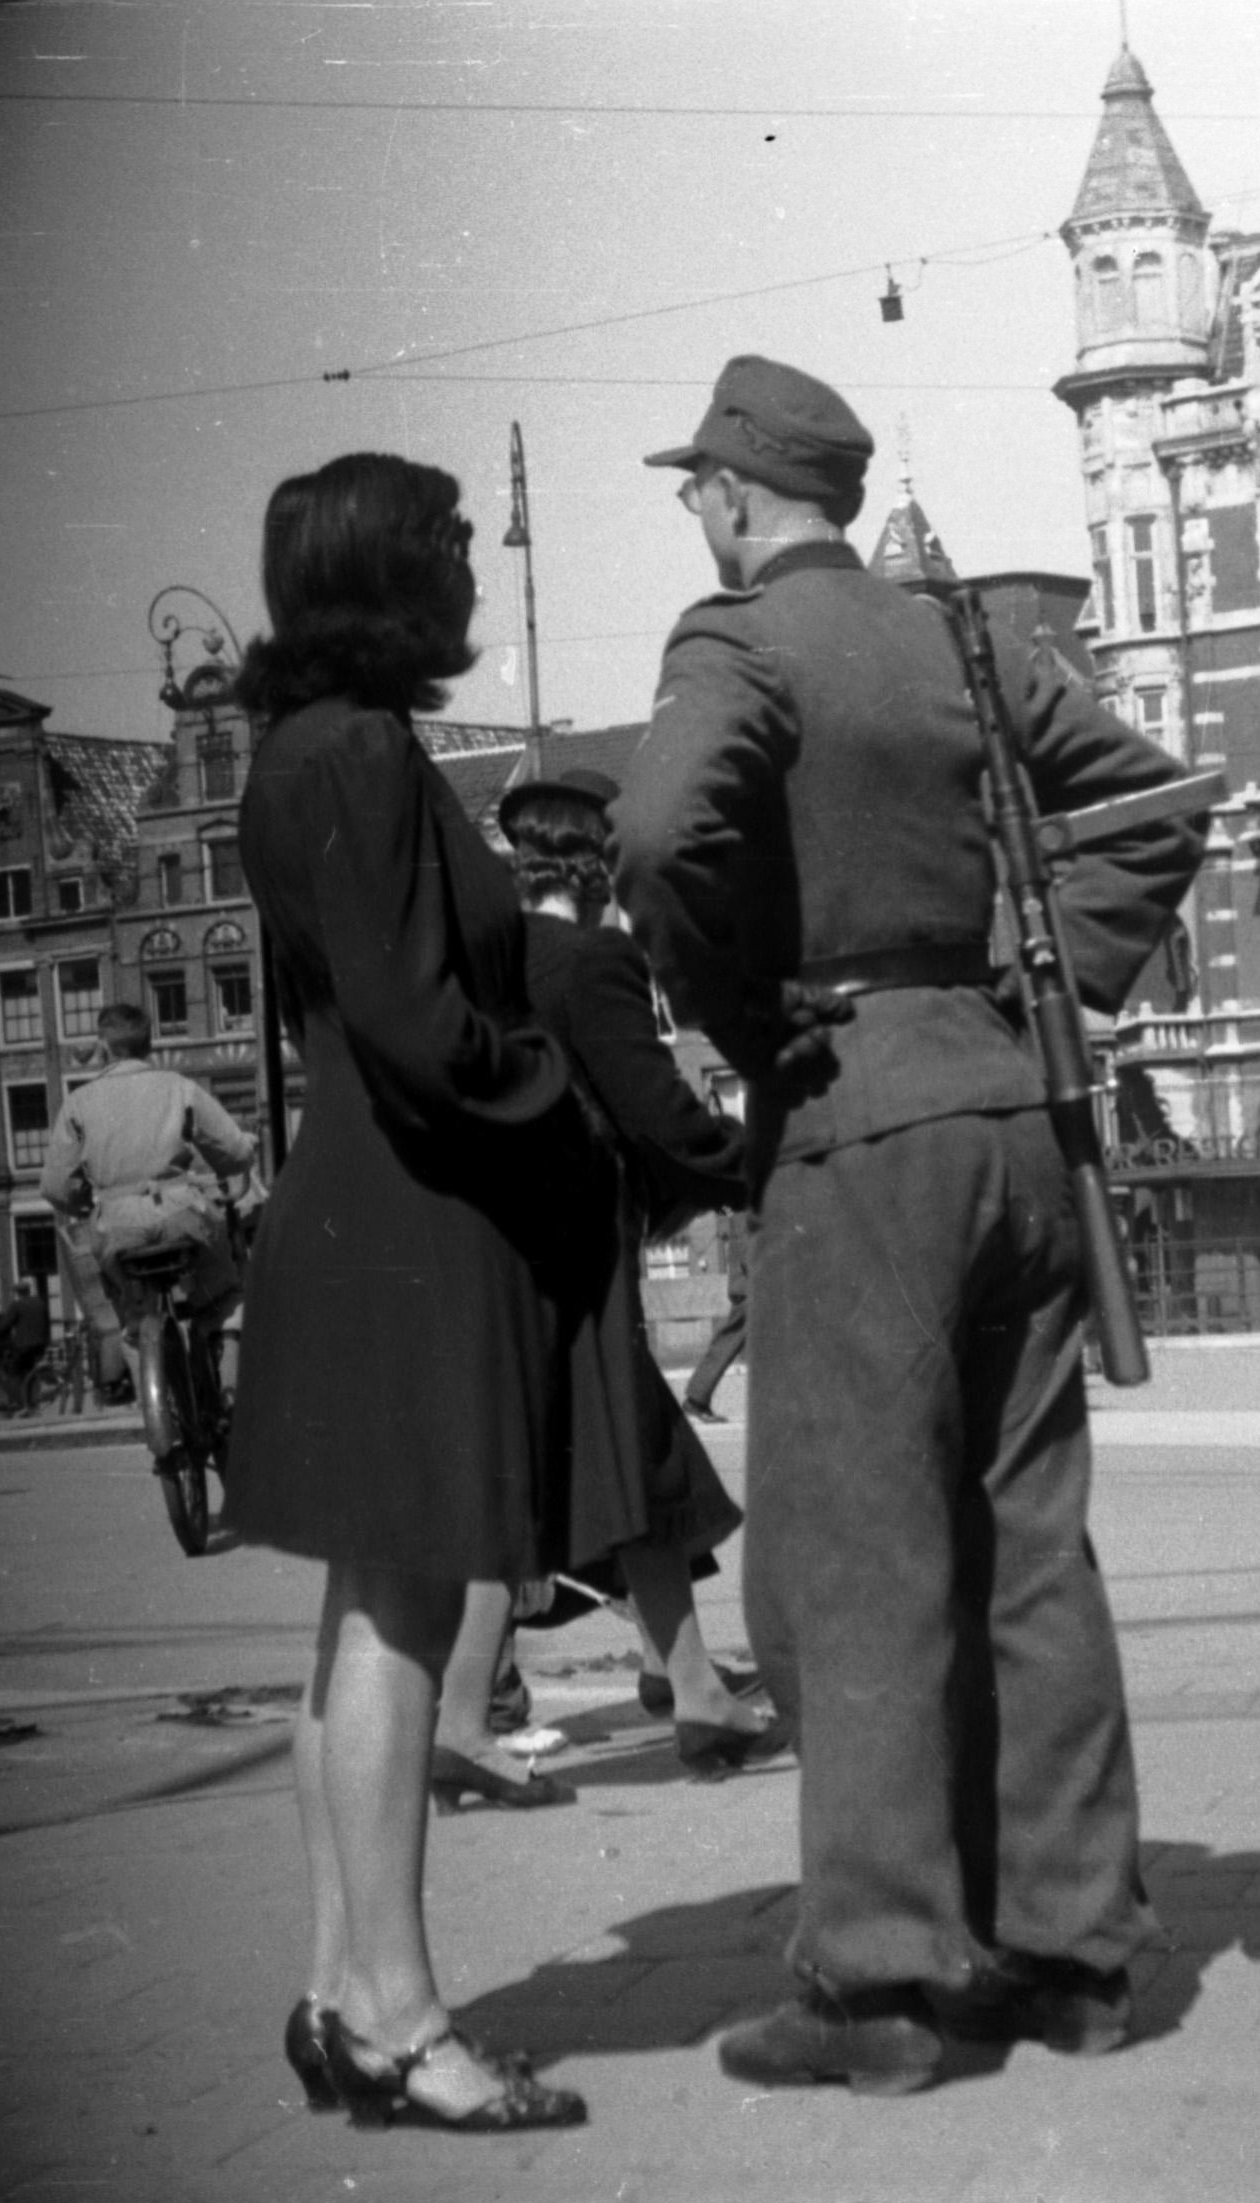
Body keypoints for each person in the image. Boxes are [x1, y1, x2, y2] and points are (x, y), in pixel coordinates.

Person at [614, 355, 1206, 2095]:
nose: (696, 513)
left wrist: (745, 1016)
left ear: (733, 497)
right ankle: (1074, 1953)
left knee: (856, 1557)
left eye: (695, 490)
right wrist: (1042, 977)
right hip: (1011, 1111)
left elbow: (657, 837)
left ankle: (878, 1982)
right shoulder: (964, 635)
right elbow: (1158, 803)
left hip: (855, 1126)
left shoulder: (736, 641)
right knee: (1032, 1544)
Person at [226, 451, 589, 2134]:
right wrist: (550, 1100)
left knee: (359, 1617)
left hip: (347, 1203)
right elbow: (408, 1012)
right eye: (442, 539)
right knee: (407, 1614)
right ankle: (399, 2015)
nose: (464, 561)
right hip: (415, 1210)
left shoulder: (291, 748)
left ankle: (335, 1989)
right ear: (381, 571)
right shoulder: (369, 749)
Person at [495, 766, 773, 1776]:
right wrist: (757, 1161)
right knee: (619, 1443)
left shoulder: (486, 959)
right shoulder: (594, 958)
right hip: (581, 1239)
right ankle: (465, 1715)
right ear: (600, 866)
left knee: (613, 1444)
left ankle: (683, 1679)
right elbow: (658, 1111)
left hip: (502, 1242)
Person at [39, 1002, 259, 1409]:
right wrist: (245, 1148)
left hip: (117, 1228)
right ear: (149, 1045)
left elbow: (55, 1187)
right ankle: (228, 1388)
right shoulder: (178, 1087)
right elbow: (234, 1152)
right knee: (225, 1292)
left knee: (131, 1316)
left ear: (103, 1047)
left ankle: (156, 1406)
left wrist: (88, 1202)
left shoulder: (78, 1102)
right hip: (182, 1216)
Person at [680, 1214, 750, 1423]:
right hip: (752, 1287)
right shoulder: (748, 1208)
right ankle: (696, 1397)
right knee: (729, 1341)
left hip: (750, 1285)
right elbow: (749, 1251)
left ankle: (696, 1397)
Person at [0, 1279, 54, 1414]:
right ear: (29, 1290)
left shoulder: (17, 1305)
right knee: (32, 1371)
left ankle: (21, 1404)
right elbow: (47, 1323)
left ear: (18, 1293)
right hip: (40, 1344)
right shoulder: (40, 1303)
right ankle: (34, 1402)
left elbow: (6, 1324)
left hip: (23, 1345)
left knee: (13, 1372)